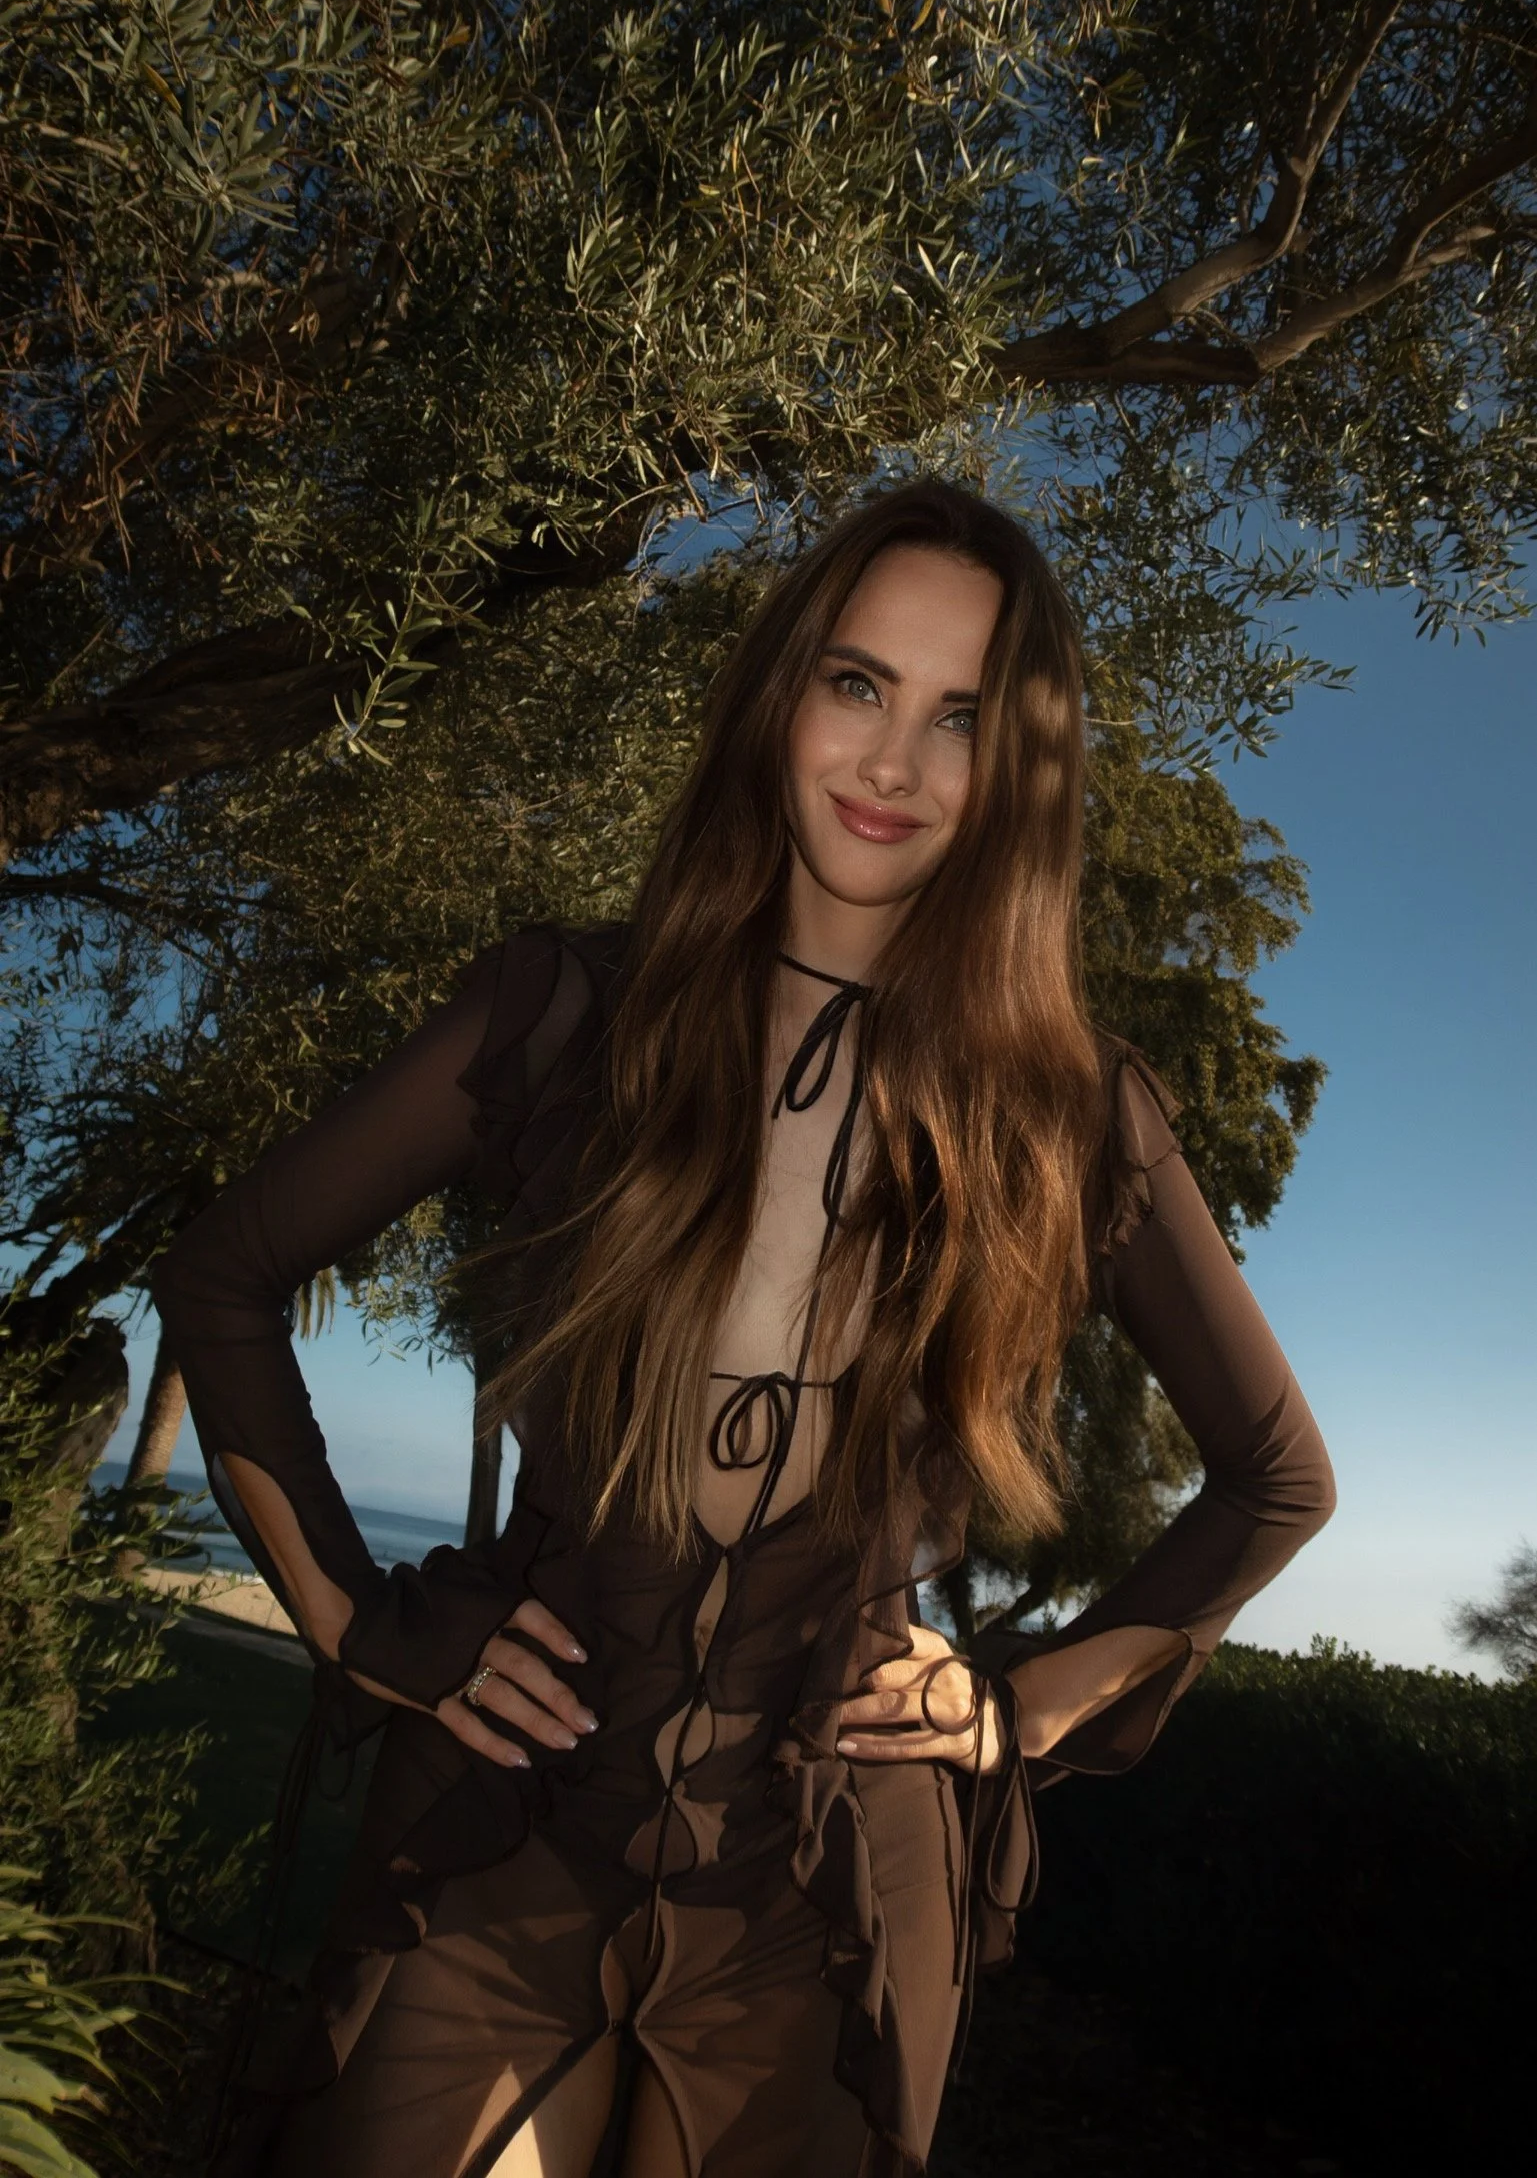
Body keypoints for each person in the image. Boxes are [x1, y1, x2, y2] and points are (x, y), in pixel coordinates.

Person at [151, 478, 1336, 2178]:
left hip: (832, 1882)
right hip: (514, 1828)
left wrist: (1023, 1703)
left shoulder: (1074, 1120)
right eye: (858, 684)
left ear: (1018, 774)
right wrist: (358, 1625)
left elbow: (1276, 1478)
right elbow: (223, 1276)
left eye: (962, 720)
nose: (894, 765)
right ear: (781, 693)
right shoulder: (564, 1016)